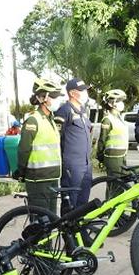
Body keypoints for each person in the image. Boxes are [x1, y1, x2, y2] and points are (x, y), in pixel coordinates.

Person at [15, 78, 63, 214]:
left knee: (51, 217)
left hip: (52, 177)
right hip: (38, 180)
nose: (56, 100)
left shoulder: (51, 119)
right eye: (53, 97)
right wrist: (21, 171)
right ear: (42, 98)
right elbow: (24, 149)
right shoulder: (33, 120)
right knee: (40, 220)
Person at [54, 77, 92, 213]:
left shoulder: (83, 112)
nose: (85, 93)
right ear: (72, 93)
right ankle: (67, 232)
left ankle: (79, 231)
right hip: (72, 165)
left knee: (83, 201)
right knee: (70, 201)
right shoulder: (64, 111)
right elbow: (57, 137)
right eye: (81, 91)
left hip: (86, 164)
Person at [97, 89, 128, 197]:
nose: (121, 103)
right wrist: (100, 157)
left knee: (120, 185)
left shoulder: (119, 118)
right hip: (112, 157)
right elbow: (102, 140)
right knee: (115, 186)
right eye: (119, 100)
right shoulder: (107, 119)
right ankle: (111, 211)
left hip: (122, 155)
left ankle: (117, 211)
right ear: (112, 103)